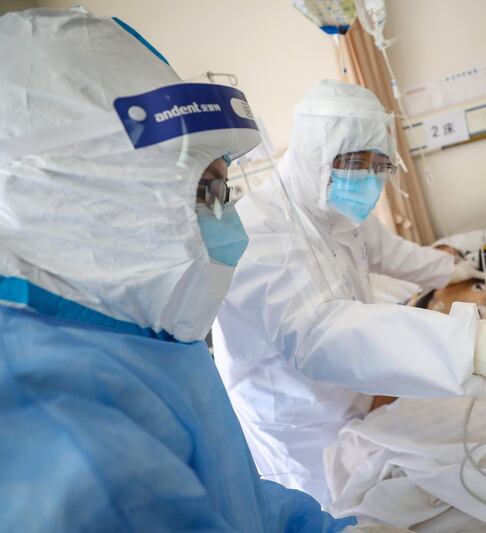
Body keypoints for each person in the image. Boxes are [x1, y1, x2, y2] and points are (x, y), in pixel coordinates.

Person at [212, 79, 486, 504]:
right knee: (336, 507)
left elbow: (397, 256)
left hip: (362, 399)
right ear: (316, 154)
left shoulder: (336, 209)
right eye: (357, 162)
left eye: (378, 164)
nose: (369, 177)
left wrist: (454, 267)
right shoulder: (260, 234)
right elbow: (322, 336)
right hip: (299, 428)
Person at [0, 8, 356, 531]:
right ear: (72, 193)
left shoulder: (142, 334)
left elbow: (236, 498)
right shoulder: (60, 439)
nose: (224, 220)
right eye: (201, 190)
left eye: (223, 189)